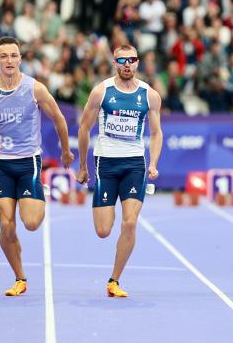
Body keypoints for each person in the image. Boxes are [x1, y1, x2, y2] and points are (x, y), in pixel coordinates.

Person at [0, 36, 74, 296]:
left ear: (20, 58)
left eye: (13, 55)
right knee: (7, 225)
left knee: (30, 223)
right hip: (1, 166)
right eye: (4, 56)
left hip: (29, 163)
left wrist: (65, 151)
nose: (9, 60)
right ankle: (20, 278)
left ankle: (36, 194)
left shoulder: (34, 89)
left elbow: (59, 118)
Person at [76, 44, 163, 298]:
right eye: (122, 60)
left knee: (130, 222)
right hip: (106, 162)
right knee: (103, 230)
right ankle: (109, 210)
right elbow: (84, 128)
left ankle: (114, 280)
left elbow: (157, 133)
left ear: (137, 62)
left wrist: (154, 162)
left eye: (132, 60)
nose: (127, 64)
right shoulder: (101, 91)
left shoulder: (150, 95)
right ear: (115, 62)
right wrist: (82, 165)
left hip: (135, 163)